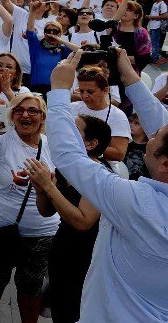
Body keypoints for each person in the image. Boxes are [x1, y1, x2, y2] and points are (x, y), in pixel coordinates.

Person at [47, 50, 168, 323]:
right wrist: (130, 78)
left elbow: (69, 156)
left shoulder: (137, 202)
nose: (151, 135)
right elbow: (167, 134)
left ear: (166, 165)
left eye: (155, 136)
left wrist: (57, 90)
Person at [0, 92, 58, 323]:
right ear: (12, 115)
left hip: (40, 233)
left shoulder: (53, 147)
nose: (25, 115)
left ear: (43, 117)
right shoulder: (2, 138)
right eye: (19, 110)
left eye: (33, 111)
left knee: (30, 288)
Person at [30, 113, 109, 323]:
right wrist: (41, 191)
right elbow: (47, 211)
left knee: (74, 312)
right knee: (60, 310)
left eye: (74, 130)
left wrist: (48, 186)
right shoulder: (67, 168)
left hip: (87, 257)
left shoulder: (99, 175)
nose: (65, 133)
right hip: (63, 250)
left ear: (91, 144)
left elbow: (83, 221)